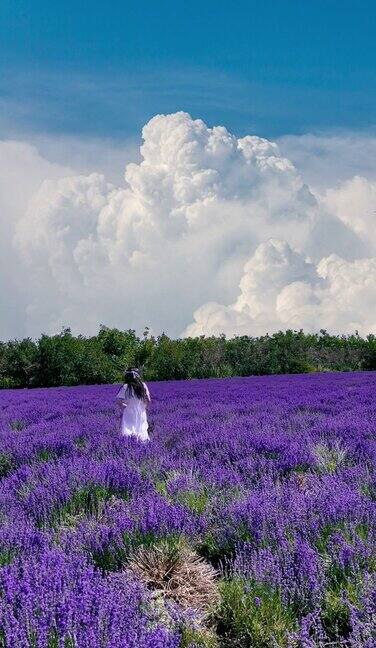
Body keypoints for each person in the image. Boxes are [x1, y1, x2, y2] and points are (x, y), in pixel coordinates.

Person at [116, 368, 151, 441]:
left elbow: (119, 401)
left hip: (129, 412)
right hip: (141, 413)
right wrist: (144, 406)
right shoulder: (143, 385)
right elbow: (148, 399)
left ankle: (129, 446)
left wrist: (124, 407)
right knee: (142, 430)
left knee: (128, 430)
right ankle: (144, 448)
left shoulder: (125, 387)